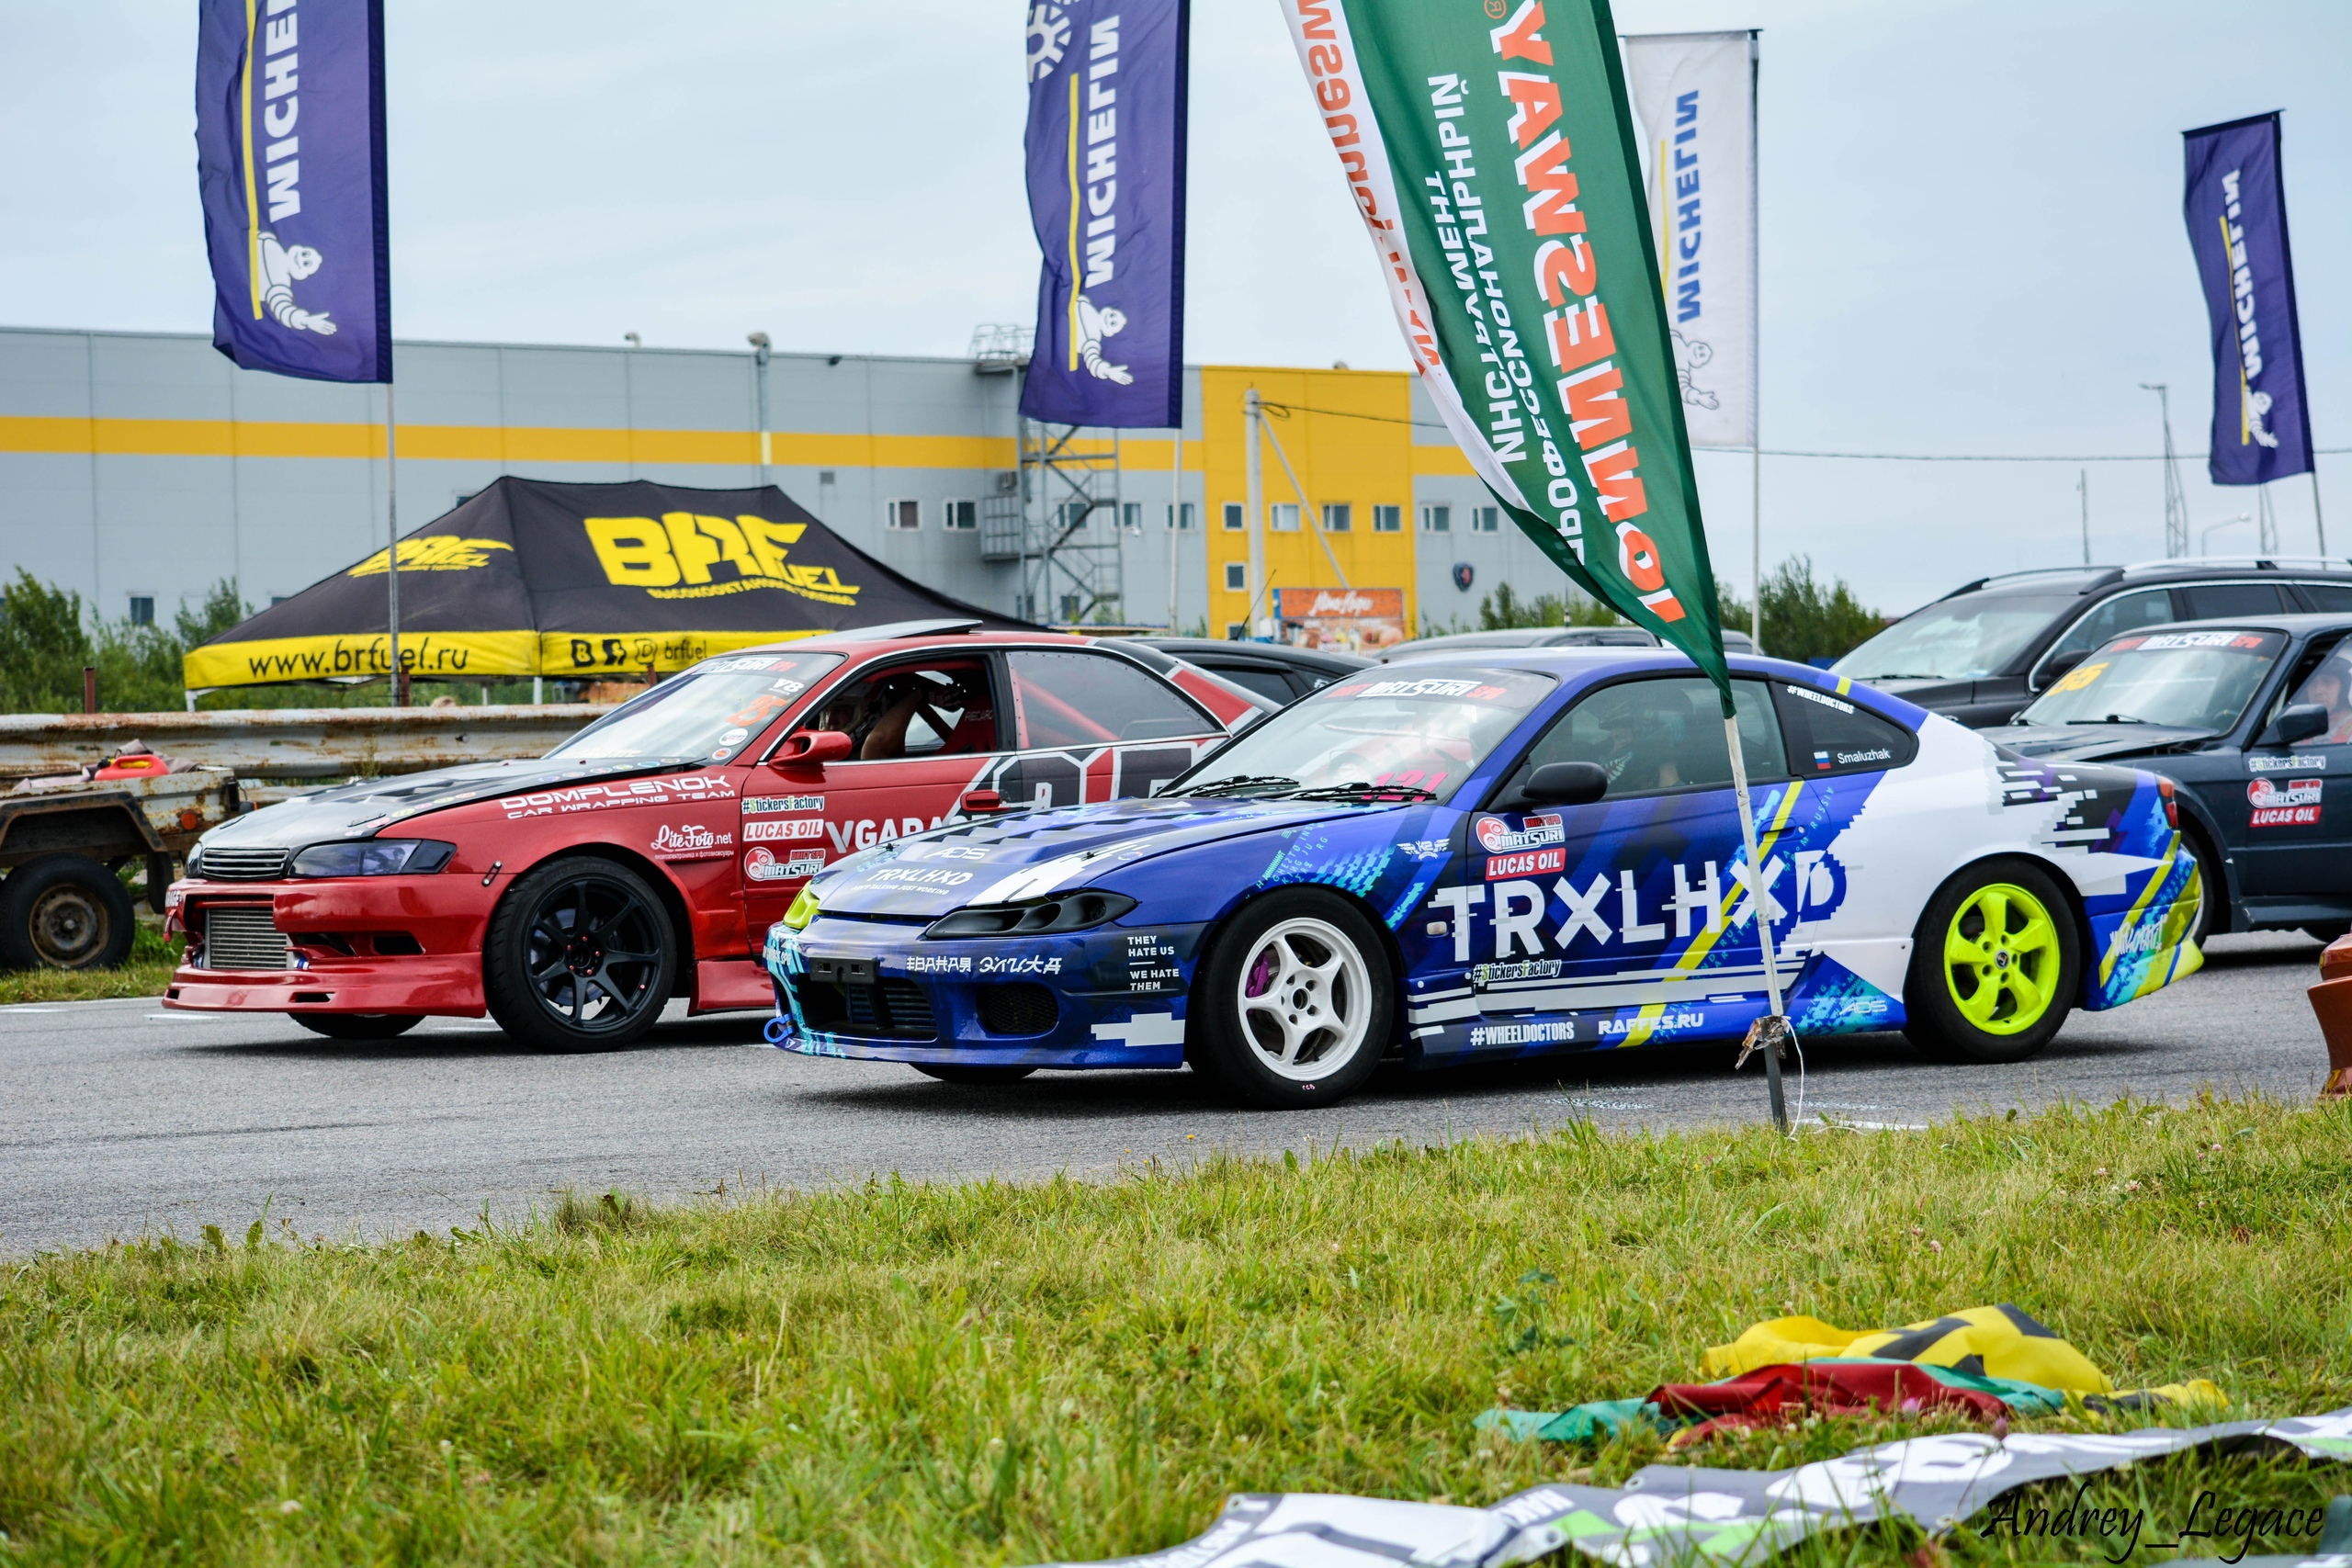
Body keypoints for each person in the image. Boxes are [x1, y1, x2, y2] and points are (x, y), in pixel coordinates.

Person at [2291, 656, 2352, 745]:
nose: (2318, 691)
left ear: (2343, 689)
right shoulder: (2296, 729)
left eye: (2328, 682)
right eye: (2312, 683)